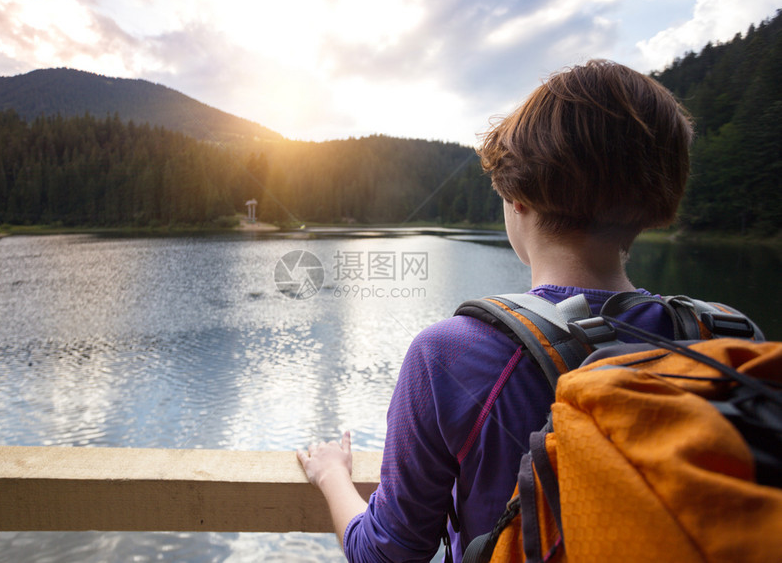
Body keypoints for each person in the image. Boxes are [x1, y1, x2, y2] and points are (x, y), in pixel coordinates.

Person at [296, 59, 694, 562]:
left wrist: (331, 474)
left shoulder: (449, 354)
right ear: (656, 199)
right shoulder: (723, 339)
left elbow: (388, 554)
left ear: (517, 197)